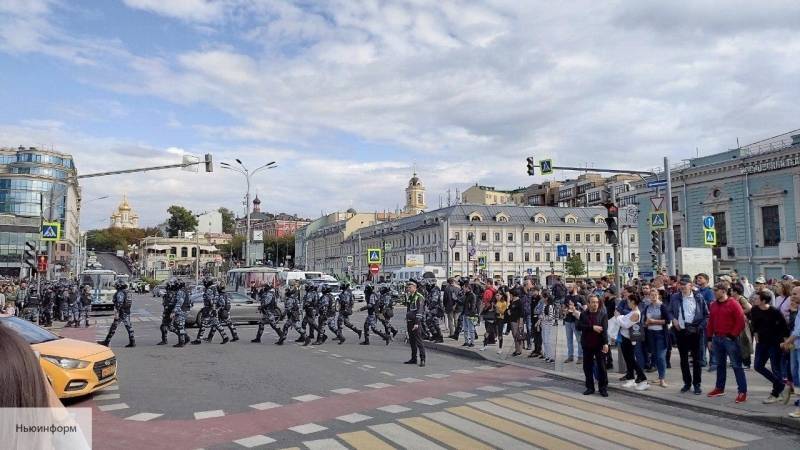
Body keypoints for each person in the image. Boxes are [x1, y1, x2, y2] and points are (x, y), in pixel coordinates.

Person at [706, 282, 748, 403]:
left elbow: (740, 321)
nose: (714, 292)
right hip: (717, 338)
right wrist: (709, 338)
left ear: (723, 291)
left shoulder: (734, 304)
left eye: (716, 290)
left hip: (730, 340)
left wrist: (732, 335)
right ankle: (719, 388)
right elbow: (711, 323)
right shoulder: (713, 305)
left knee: (736, 366)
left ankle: (742, 392)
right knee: (720, 365)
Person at [670, 275, 707, 395]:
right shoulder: (675, 297)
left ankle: (697, 384)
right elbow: (669, 311)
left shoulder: (698, 297)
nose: (682, 287)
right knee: (683, 359)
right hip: (681, 330)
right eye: (680, 284)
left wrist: (699, 328)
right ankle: (687, 382)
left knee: (697, 360)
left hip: (695, 331)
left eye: (684, 284)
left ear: (690, 285)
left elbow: (707, 315)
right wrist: (673, 320)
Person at [750, 290, 790, 403]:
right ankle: (781, 385)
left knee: (775, 368)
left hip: (774, 343)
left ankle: (776, 394)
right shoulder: (754, 309)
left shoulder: (774, 311)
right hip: (761, 343)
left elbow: (784, 327)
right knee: (758, 366)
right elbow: (754, 324)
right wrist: (755, 333)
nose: (754, 300)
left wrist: (785, 342)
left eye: (757, 298)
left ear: (763, 301)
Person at [574, 295, 609, 397]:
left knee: (602, 367)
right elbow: (579, 326)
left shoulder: (603, 314)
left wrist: (606, 343)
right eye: (593, 302)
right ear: (588, 304)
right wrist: (592, 327)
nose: (595, 304)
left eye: (597, 302)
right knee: (587, 367)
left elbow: (604, 331)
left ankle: (603, 388)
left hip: (599, 344)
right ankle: (590, 387)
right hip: (587, 344)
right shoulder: (584, 314)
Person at [617, 292, 649, 391]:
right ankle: (630, 379)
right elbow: (624, 321)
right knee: (628, 359)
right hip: (624, 338)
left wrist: (618, 317)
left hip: (629, 339)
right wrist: (621, 318)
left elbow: (626, 325)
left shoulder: (636, 313)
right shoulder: (632, 312)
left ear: (633, 302)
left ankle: (643, 380)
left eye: (629, 301)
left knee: (631, 360)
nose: (628, 303)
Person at [98, 280, 135, 348]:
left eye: (116, 285)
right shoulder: (127, 292)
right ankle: (132, 341)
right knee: (129, 327)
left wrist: (117, 312)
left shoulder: (120, 293)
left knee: (114, 327)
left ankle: (106, 342)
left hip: (121, 312)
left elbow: (119, 303)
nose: (115, 286)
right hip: (126, 311)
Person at [644, 289, 669, 387]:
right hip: (650, 333)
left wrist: (654, 321)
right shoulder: (648, 307)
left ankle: (662, 379)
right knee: (655, 356)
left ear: (658, 295)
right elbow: (645, 320)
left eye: (655, 295)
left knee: (660, 356)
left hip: (661, 334)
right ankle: (659, 377)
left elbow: (667, 320)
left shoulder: (662, 306)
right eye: (651, 295)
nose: (653, 296)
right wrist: (646, 323)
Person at [783, 286, 800, 417]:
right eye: (792, 294)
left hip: (796, 345)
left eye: (795, 294)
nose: (792, 296)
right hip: (796, 346)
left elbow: (798, 331)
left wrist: (787, 342)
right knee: (795, 375)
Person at [404, 280, 426, 367]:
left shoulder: (418, 297)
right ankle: (413, 358)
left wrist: (417, 323)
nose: (408, 289)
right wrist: (407, 316)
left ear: (414, 287)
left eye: (410, 287)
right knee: (412, 341)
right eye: (408, 287)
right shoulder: (410, 296)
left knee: (419, 341)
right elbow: (409, 309)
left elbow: (419, 310)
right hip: (410, 321)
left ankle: (422, 359)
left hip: (415, 322)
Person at [563, 285, 583, 364]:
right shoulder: (567, 297)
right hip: (568, 320)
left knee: (579, 340)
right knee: (569, 340)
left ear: (574, 288)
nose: (568, 289)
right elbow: (563, 308)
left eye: (569, 287)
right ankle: (570, 356)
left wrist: (575, 308)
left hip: (576, 321)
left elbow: (584, 309)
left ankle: (580, 357)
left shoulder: (580, 297)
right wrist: (565, 310)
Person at [507, 288, 524, 356]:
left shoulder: (519, 301)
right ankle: (517, 349)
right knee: (515, 335)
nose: (509, 296)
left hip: (517, 320)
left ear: (513, 294)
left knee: (517, 335)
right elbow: (510, 308)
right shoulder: (512, 301)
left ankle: (519, 350)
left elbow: (521, 313)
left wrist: (520, 322)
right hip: (512, 320)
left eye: (510, 294)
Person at [461, 282, 478, 347]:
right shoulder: (466, 294)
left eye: (464, 288)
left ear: (467, 288)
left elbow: (473, 305)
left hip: (470, 314)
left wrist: (471, 313)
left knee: (471, 328)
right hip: (465, 313)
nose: (463, 289)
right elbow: (463, 303)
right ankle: (466, 341)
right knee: (465, 328)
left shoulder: (472, 295)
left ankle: (472, 342)